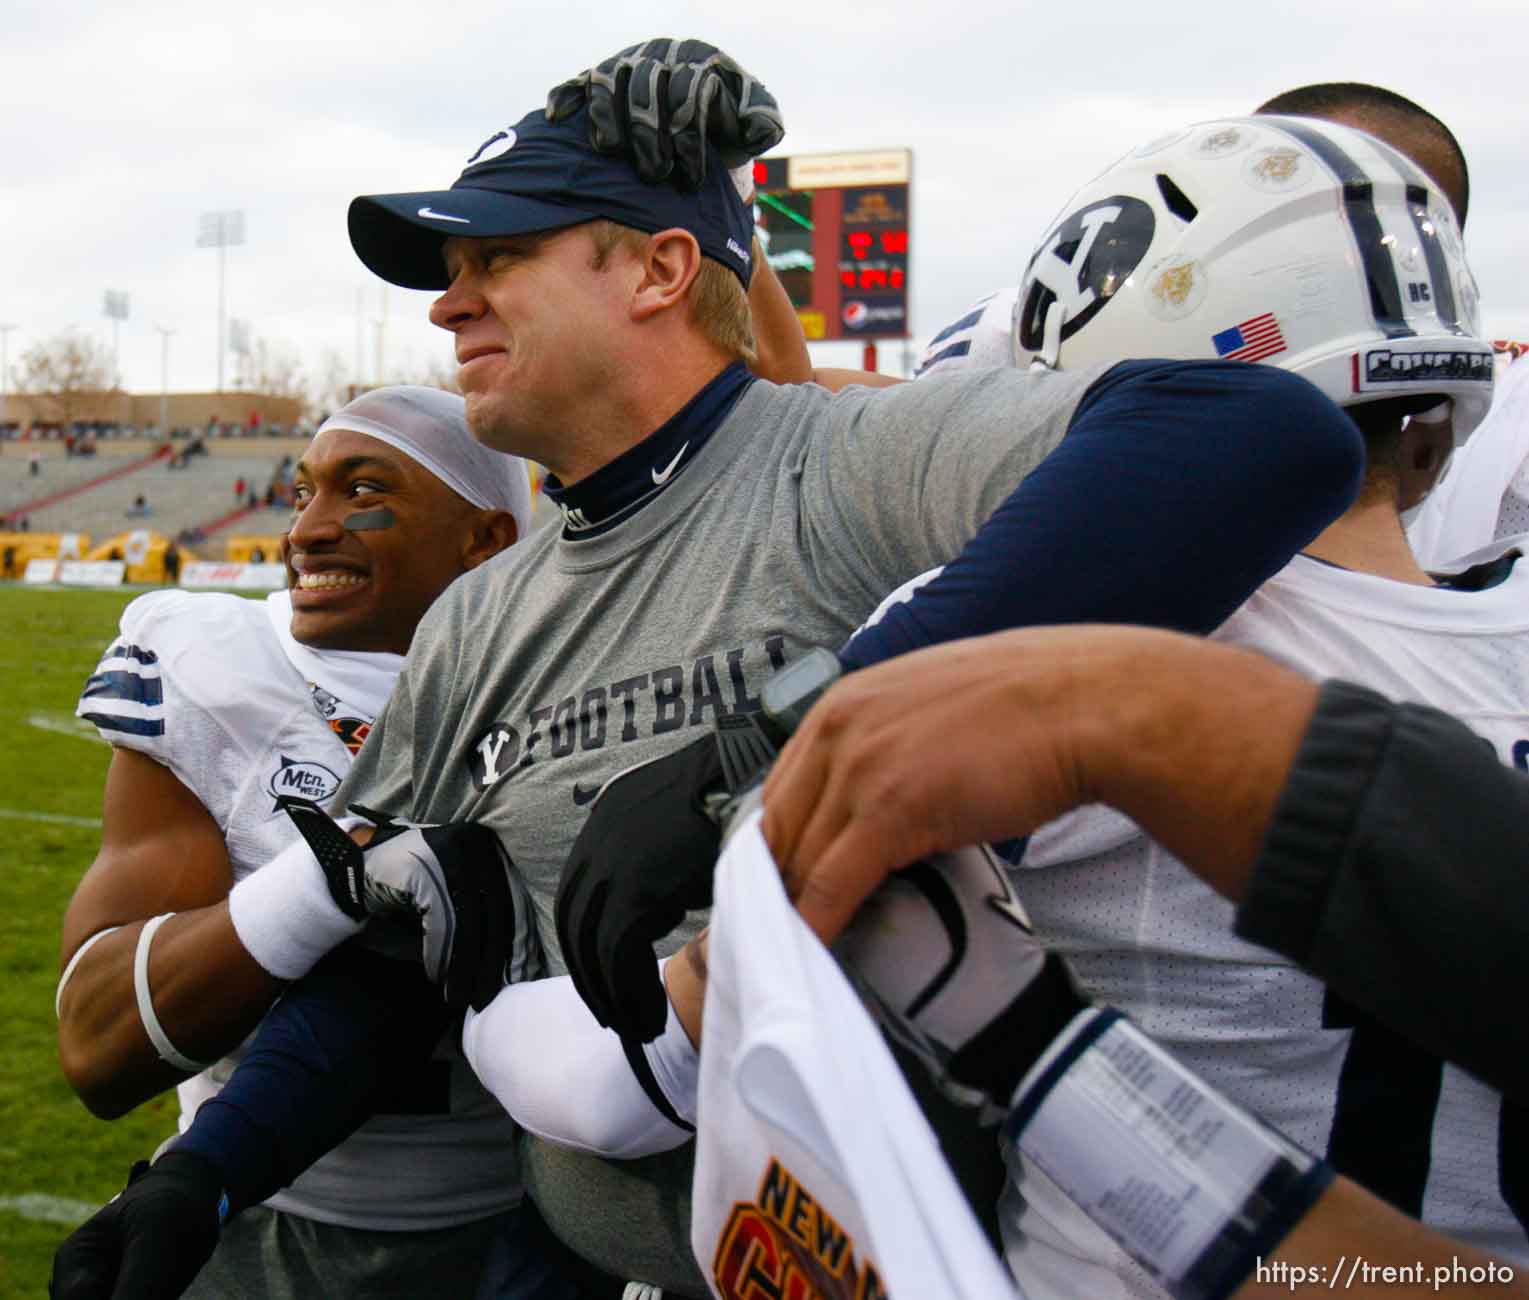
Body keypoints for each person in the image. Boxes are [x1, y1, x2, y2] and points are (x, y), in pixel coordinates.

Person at [51, 44, 1367, 1300]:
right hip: (577, 1258)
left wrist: (775, 745)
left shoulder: (846, 462)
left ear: (659, 271)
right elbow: (405, 961)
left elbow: (1254, 434)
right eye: (450, 269)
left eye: (496, 257)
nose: (448, 301)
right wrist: (210, 1174)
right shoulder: (475, 618)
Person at [55, 386, 559, 1299]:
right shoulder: (216, 667)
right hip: (254, 1219)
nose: (308, 529)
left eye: (362, 492)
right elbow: (98, 1044)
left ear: (484, 537)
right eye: (301, 493)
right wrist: (329, 882)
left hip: (524, 1223)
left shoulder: (568, 684)